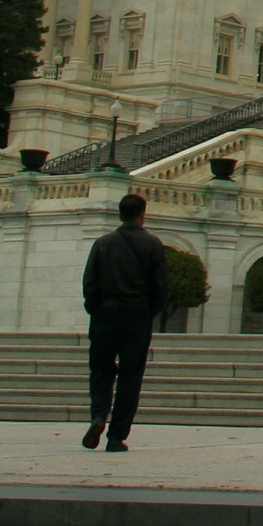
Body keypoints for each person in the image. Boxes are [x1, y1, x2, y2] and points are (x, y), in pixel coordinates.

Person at [80, 191, 167, 452]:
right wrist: (149, 311)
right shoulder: (153, 244)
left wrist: (95, 309)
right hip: (137, 316)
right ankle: (116, 436)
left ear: (120, 214)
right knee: (130, 376)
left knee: (101, 370)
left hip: (105, 314)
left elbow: (89, 282)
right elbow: (160, 286)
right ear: (142, 214)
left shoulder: (103, 243)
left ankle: (98, 416)